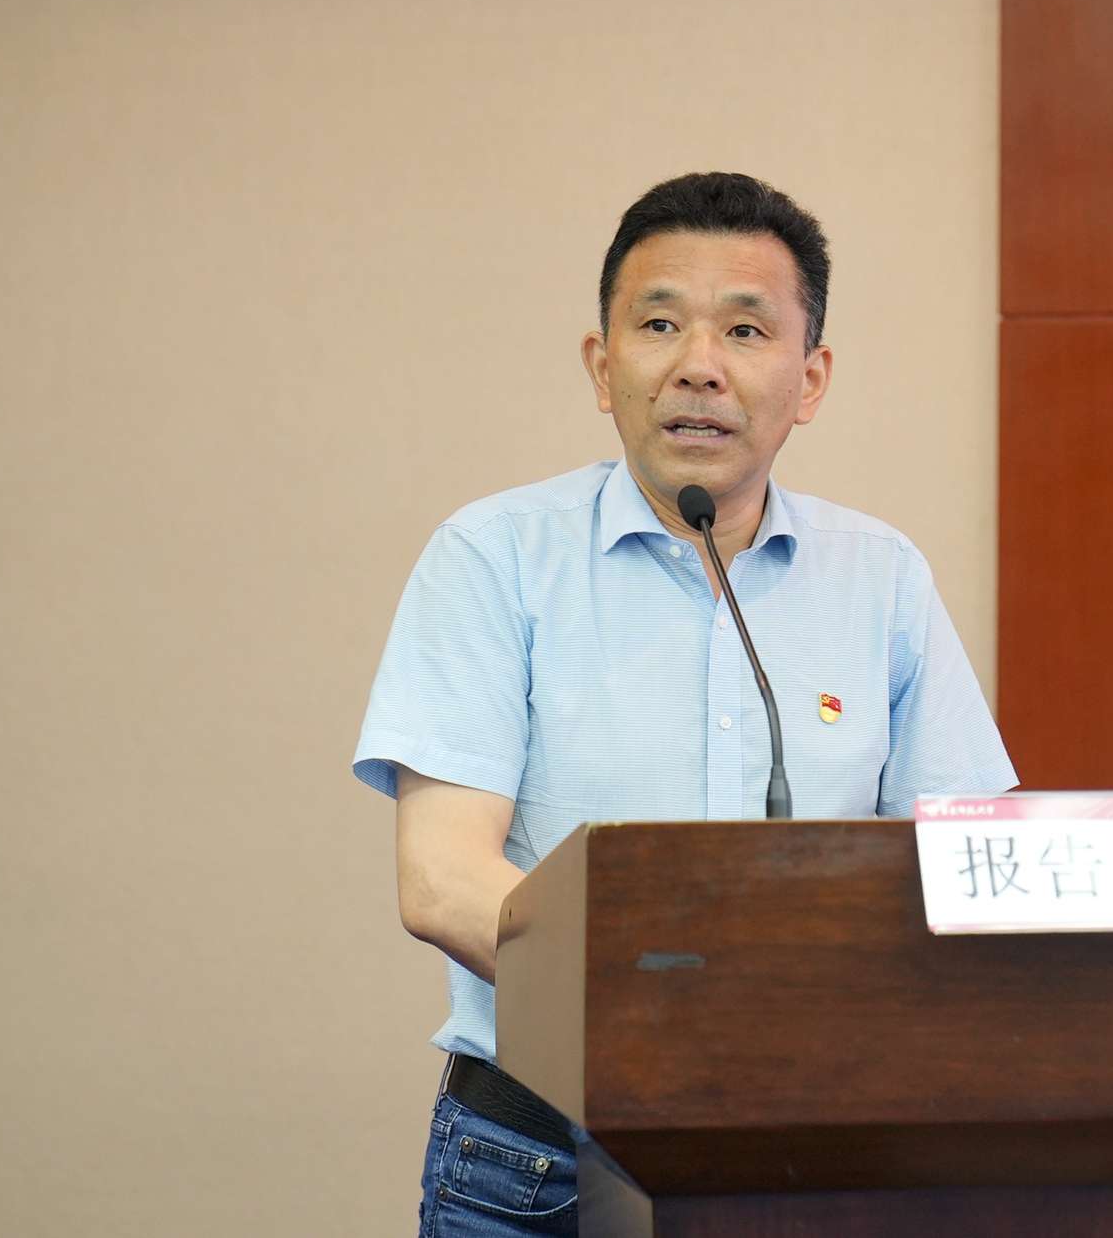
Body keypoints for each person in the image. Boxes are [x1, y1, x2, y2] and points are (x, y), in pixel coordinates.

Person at [353, 172, 1016, 1237]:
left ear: (809, 378)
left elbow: (963, 867)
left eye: (745, 330)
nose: (698, 365)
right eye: (659, 323)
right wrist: (673, 999)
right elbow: (443, 878)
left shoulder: (880, 577)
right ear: (601, 363)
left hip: (809, 1145)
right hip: (538, 1160)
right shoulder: (493, 557)